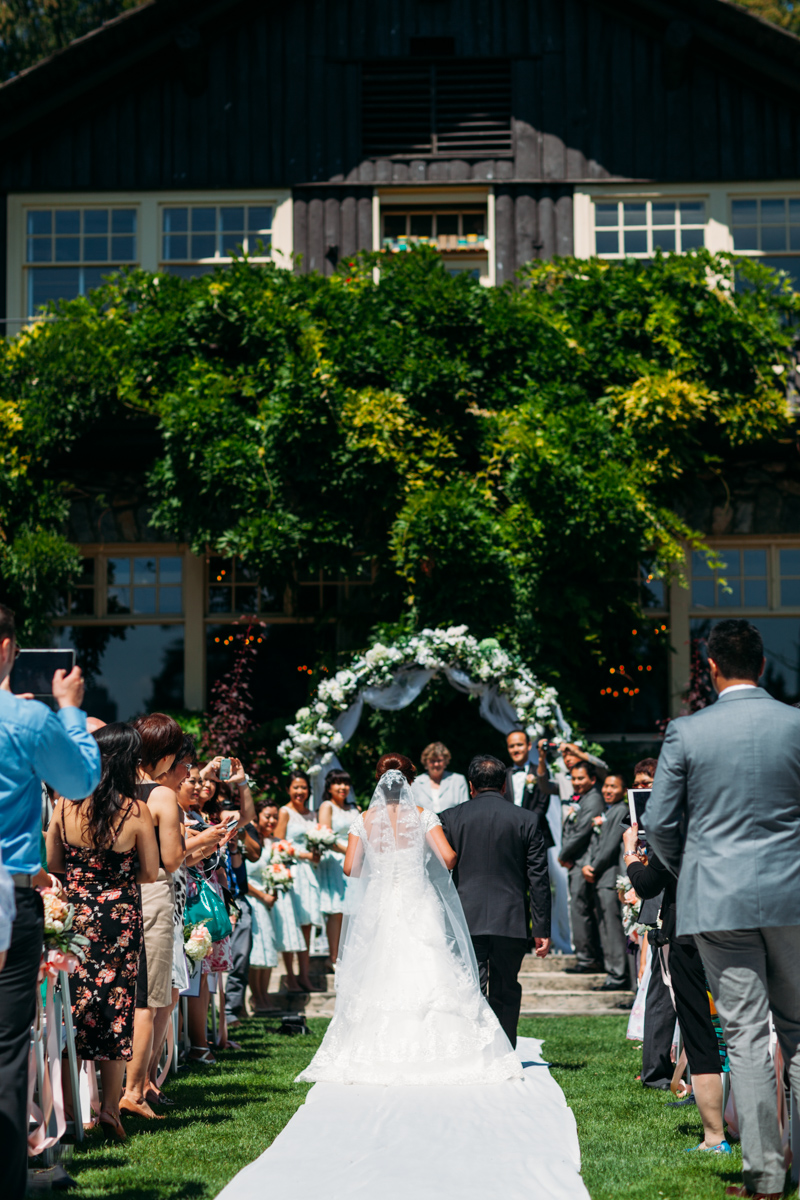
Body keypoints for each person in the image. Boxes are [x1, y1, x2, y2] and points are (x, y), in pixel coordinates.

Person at [646, 618, 800, 1200]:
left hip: (718, 899)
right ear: (762, 665)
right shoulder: (796, 724)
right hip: (793, 896)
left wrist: (694, 870)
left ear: (711, 668)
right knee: (799, 1031)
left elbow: (659, 824)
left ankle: (764, 1174)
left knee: (745, 1038)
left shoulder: (687, 732)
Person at [296, 753, 524, 1085]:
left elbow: (351, 868)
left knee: (379, 971)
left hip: (380, 904)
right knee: (430, 968)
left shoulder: (365, 820)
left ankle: (374, 1051)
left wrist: (379, 860)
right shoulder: (422, 816)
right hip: (419, 902)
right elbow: (447, 859)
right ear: (411, 781)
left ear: (378, 780)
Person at [0, 603, 101, 1200]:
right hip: (9, 898)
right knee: (8, 1047)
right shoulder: (27, 719)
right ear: (9, 649)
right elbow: (81, 782)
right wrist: (68, 710)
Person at [46, 724, 159, 1142]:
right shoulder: (136, 812)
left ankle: (72, 1112)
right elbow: (149, 871)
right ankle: (111, 1110)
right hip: (120, 918)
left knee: (72, 1010)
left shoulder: (64, 806)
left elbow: (54, 862)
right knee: (116, 1012)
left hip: (76, 916)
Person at [622, 822, 730, 1155]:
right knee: (745, 1030)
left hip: (687, 932)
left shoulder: (678, 830)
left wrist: (630, 852)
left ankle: (715, 1136)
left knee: (699, 1029)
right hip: (737, 928)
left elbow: (646, 882)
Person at [441, 753, 552, 1047]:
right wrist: (542, 928)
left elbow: (437, 872)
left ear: (470, 785)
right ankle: (503, 1050)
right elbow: (538, 878)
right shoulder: (527, 819)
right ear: (504, 786)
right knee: (505, 987)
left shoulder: (450, 818)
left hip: (465, 916)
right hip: (510, 918)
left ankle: (471, 1049)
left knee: (469, 987)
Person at [121, 713, 185, 1118]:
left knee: (123, 994)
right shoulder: (161, 796)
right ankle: (135, 1090)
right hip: (152, 896)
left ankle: (117, 1091)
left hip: (115, 894)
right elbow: (173, 859)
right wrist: (209, 839)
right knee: (149, 997)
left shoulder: (112, 789)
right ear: (163, 756)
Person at [275, 770, 323, 992]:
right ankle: (290, 975)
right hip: (292, 872)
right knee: (292, 924)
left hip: (310, 874)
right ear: (288, 789)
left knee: (307, 925)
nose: (300, 792)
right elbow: (278, 844)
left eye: (303, 787)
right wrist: (303, 855)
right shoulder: (284, 812)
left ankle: (304, 975)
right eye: (296, 787)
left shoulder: (313, 815)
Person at [583, 773, 629, 992]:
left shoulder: (620, 810)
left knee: (612, 929)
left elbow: (610, 845)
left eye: (614, 786)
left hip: (610, 877)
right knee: (605, 927)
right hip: (601, 879)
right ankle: (613, 972)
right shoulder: (607, 812)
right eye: (606, 786)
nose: (608, 790)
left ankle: (618, 974)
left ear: (623, 790)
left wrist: (593, 866)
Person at [255, 802, 306, 994]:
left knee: (285, 937)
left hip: (280, 895)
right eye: (267, 816)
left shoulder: (278, 842)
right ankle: (258, 995)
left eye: (275, 817)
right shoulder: (254, 842)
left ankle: (291, 978)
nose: (272, 821)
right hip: (262, 896)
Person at [559, 762, 604, 974]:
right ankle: (586, 956)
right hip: (575, 860)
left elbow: (582, 832)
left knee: (580, 908)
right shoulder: (580, 798)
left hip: (583, 860)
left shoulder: (593, 799)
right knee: (578, 907)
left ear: (592, 780)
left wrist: (563, 854)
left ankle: (588, 958)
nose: (576, 783)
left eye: (581, 778)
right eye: (574, 779)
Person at [317, 768, 359, 966]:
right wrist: (349, 852)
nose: (343, 787)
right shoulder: (327, 806)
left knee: (353, 910)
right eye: (338, 783)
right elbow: (326, 837)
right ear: (329, 787)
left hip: (356, 861)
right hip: (335, 860)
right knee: (337, 910)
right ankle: (334, 958)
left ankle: (350, 957)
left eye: (346, 783)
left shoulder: (354, 808)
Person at [412, 742, 469, 813]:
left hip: (452, 823)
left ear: (446, 761)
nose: (436, 764)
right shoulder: (416, 782)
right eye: (432, 761)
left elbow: (465, 809)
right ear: (426, 762)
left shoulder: (458, 780)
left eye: (439, 760)